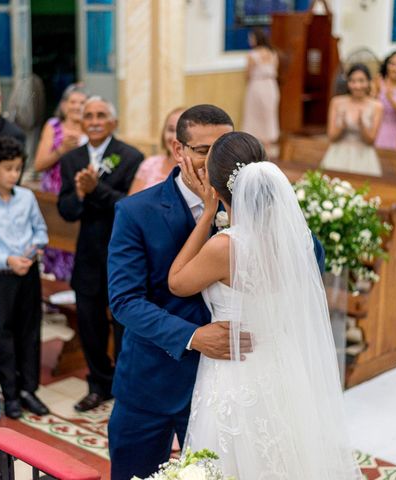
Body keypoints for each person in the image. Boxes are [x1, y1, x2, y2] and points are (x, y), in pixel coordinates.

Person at [107, 105, 326, 480]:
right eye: (202, 150)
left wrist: (274, 219)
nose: (211, 161)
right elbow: (125, 302)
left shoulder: (262, 210)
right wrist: (191, 336)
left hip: (238, 383)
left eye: (221, 148)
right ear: (179, 151)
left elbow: (308, 261)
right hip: (156, 379)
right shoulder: (136, 212)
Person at [168, 132, 360, 479]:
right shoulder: (293, 241)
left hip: (235, 369)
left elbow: (177, 282)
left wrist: (206, 214)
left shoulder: (225, 247)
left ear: (215, 184)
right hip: (283, 363)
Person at [57, 96, 143, 412]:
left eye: (101, 115)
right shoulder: (71, 160)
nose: (94, 120)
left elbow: (129, 205)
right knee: (90, 325)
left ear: (113, 122)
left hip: (124, 255)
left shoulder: (131, 157)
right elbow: (66, 211)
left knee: (123, 326)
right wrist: (80, 192)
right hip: (89, 256)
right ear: (82, 122)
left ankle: (126, 386)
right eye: (89, 115)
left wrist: (97, 190)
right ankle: (99, 384)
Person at [0, 136, 50, 420]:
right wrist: (8, 260)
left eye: (18, 169)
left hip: (28, 272)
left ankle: (30, 389)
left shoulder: (26, 198)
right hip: (0, 278)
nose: (14, 174)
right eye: (8, 168)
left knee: (30, 330)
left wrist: (32, 250)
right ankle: (11, 394)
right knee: (3, 334)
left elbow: (40, 231)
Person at [34, 83, 88, 281]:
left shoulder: (92, 129)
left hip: (79, 196)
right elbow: (39, 164)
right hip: (53, 196)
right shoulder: (53, 126)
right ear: (64, 105)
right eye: (73, 102)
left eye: (82, 102)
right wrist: (62, 149)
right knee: (55, 246)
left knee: (75, 246)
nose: (77, 106)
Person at [321, 64, 384, 176]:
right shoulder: (337, 102)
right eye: (353, 81)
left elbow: (371, 141)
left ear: (368, 82)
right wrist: (342, 126)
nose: (357, 86)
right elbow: (331, 136)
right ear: (348, 82)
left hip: (364, 157)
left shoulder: (376, 106)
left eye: (361, 81)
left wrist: (362, 125)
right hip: (338, 154)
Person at [129, 106, 185, 195]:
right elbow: (130, 204)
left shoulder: (200, 171)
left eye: (181, 131)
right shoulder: (150, 164)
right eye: (171, 130)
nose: (175, 138)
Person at [241, 27, 280, 156]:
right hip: (271, 85)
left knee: (254, 116)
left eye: (251, 37)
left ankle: (255, 146)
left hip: (257, 85)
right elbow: (276, 70)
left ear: (256, 39)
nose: (250, 40)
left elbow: (247, 74)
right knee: (269, 115)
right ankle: (268, 145)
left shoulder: (252, 55)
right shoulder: (273, 53)